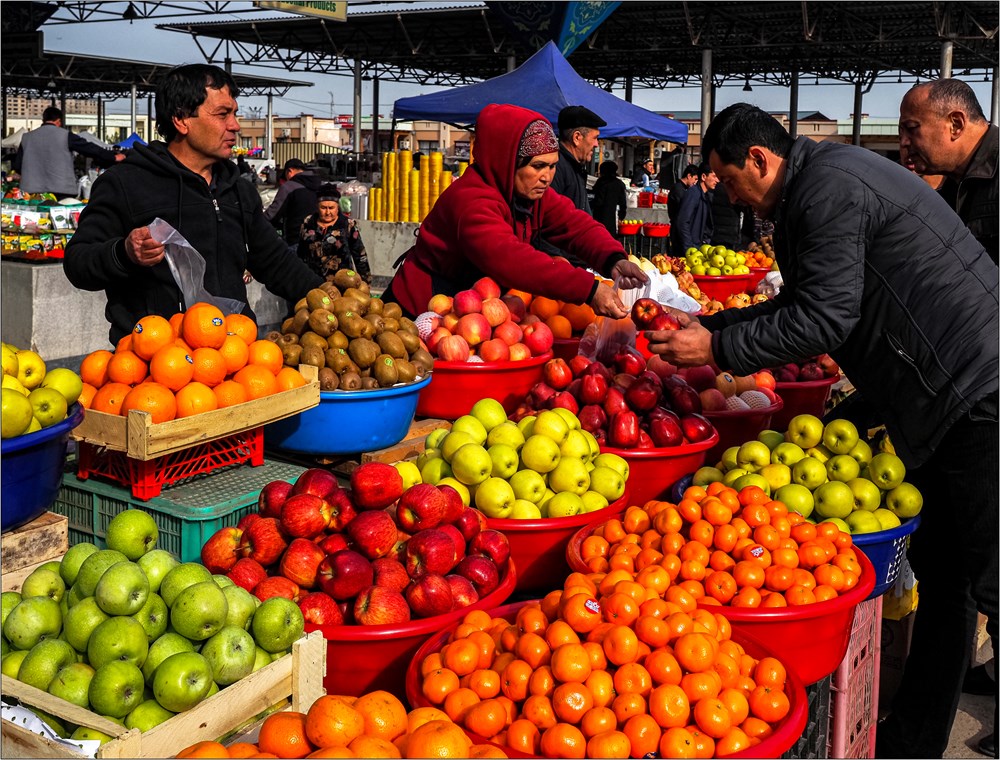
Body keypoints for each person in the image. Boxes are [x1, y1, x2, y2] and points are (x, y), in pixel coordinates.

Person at [643, 103, 998, 760]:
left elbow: (825, 321)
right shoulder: (818, 180)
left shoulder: (826, 188)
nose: (731, 200)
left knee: (991, 577)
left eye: (729, 181)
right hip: (943, 388)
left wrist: (719, 355)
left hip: (975, 389)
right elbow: (803, 302)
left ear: (758, 159)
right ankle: (913, 741)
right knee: (951, 580)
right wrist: (713, 331)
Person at [63, 64, 323, 345]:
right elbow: (78, 263)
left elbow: (278, 264)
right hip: (157, 365)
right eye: (223, 114)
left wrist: (331, 298)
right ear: (181, 119)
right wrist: (124, 253)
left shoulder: (238, 191)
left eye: (234, 113)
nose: (235, 125)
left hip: (234, 359)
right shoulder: (125, 184)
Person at [382, 104, 647, 320]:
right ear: (508, 164)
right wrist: (588, 289)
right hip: (419, 310)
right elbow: (512, 260)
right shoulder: (471, 201)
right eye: (538, 166)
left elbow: (575, 224)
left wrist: (613, 259)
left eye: (552, 166)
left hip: (471, 311)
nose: (547, 177)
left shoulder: (529, 193)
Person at [899, 78, 998, 265]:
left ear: (956, 124)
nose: (904, 142)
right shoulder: (951, 187)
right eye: (901, 133)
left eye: (912, 129)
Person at [537, 105, 607, 261]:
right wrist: (555, 258)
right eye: (595, 138)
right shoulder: (556, 167)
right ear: (577, 137)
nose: (596, 144)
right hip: (561, 266)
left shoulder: (575, 167)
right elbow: (543, 219)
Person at [13, 106, 124, 199]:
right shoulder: (65, 135)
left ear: (44, 119)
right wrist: (113, 157)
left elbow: (17, 166)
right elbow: (89, 148)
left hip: (30, 192)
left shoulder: (26, 138)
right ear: (58, 121)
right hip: (61, 191)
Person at [297, 184, 371, 283]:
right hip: (312, 281)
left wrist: (366, 282)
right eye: (323, 208)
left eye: (331, 208)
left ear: (337, 208)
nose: (327, 212)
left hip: (341, 282)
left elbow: (360, 255)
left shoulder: (347, 224)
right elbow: (301, 253)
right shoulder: (308, 222)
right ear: (317, 207)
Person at [264, 158, 322, 250]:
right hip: (319, 240)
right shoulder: (320, 184)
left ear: (289, 171)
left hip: (295, 240)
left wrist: (256, 220)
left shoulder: (289, 186)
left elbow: (272, 215)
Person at [674, 163, 718, 254]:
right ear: (703, 176)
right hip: (689, 250)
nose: (717, 180)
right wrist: (689, 248)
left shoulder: (706, 196)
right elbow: (682, 222)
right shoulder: (693, 193)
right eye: (714, 176)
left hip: (698, 247)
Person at [667, 163, 700, 255]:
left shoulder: (684, 189)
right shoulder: (678, 189)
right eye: (695, 179)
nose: (695, 182)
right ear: (689, 176)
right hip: (677, 229)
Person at [590, 161, 628, 238]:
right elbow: (623, 203)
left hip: (599, 216)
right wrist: (621, 216)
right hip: (613, 218)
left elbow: (598, 201)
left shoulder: (601, 182)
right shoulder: (619, 183)